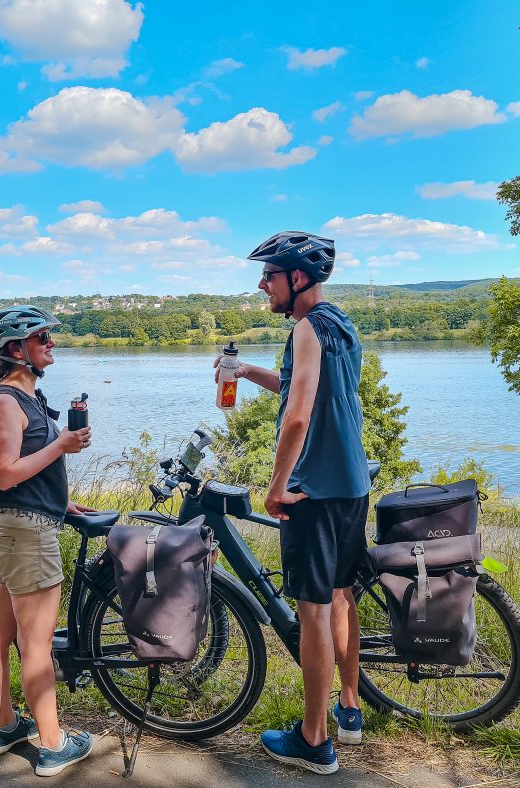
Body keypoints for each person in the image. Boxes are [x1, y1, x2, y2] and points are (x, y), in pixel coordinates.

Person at [217, 232, 371, 775]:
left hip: (314, 490)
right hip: (351, 485)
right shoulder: (339, 325)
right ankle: (348, 712)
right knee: (342, 595)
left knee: (314, 612)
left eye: (269, 276)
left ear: (297, 279)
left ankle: (314, 741)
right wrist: (245, 372)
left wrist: (277, 484)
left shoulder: (306, 329)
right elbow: (296, 384)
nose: (263, 285)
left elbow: (299, 414)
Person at [0, 305, 96, 777]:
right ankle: (53, 745)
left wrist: (59, 501)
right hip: (24, 535)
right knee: (36, 644)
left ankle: (6, 727)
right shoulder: (7, 401)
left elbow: (22, 473)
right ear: (15, 349)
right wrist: (61, 445)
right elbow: (5, 475)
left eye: (48, 336)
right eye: (42, 337)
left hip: (17, 529)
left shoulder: (23, 398)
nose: (50, 343)